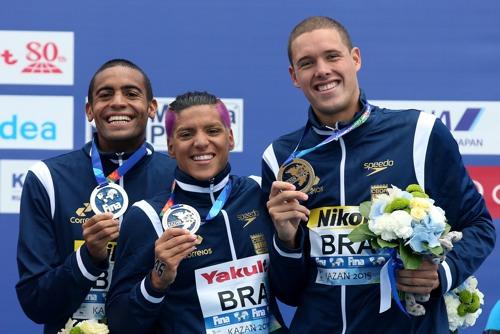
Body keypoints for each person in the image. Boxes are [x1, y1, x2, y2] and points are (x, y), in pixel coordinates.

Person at [261, 16, 496, 333]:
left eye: (332, 56)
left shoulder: (419, 134)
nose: (322, 70)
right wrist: (286, 241)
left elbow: (479, 225)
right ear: (294, 76)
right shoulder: (281, 158)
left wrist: (444, 273)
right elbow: (289, 292)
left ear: (355, 58)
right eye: (307, 63)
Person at [16, 59, 176, 334]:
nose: (118, 102)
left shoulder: (179, 179)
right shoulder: (47, 178)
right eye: (105, 94)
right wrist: (88, 257)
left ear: (152, 108)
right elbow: (36, 302)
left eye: (131, 93)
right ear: (89, 110)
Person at [106, 91, 288, 333]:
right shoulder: (147, 217)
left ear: (230, 138)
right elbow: (120, 324)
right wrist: (156, 281)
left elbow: (293, 292)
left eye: (213, 131)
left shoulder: (259, 194)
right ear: (170, 146)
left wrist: (289, 241)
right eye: (186, 134)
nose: (201, 142)